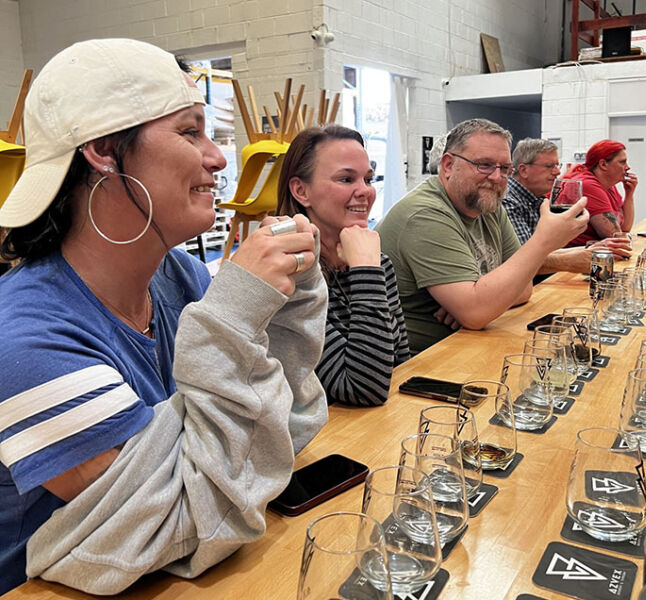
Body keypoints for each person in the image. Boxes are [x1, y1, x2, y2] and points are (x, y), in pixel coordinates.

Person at [0, 39, 328, 595]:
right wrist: (233, 315)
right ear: (105, 149)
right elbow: (171, 521)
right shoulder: (24, 338)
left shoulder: (178, 276)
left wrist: (285, 303)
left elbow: (279, 432)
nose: (219, 157)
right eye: (189, 131)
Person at [376, 118, 588, 353]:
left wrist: (483, 299)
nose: (497, 177)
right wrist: (543, 240)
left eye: (505, 168)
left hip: (464, 345)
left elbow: (524, 287)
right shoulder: (424, 214)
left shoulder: (488, 206)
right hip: (421, 363)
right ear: (448, 165)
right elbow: (477, 313)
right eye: (484, 165)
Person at [277, 125, 410, 406]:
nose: (365, 192)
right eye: (347, 179)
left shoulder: (375, 260)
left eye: (369, 179)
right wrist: (366, 271)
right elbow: (363, 388)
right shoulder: (288, 273)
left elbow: (399, 363)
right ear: (301, 191)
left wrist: (368, 266)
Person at [503, 138, 631, 273]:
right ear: (523, 170)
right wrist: (570, 261)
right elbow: (521, 261)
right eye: (549, 166)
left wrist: (589, 250)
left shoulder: (537, 199)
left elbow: (544, 251)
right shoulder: (509, 202)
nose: (558, 172)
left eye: (558, 165)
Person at [563, 139, 637, 247]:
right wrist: (621, 235)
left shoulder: (609, 186)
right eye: (622, 162)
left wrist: (629, 194)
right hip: (573, 256)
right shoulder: (588, 185)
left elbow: (625, 228)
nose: (628, 167)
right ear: (603, 164)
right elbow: (614, 235)